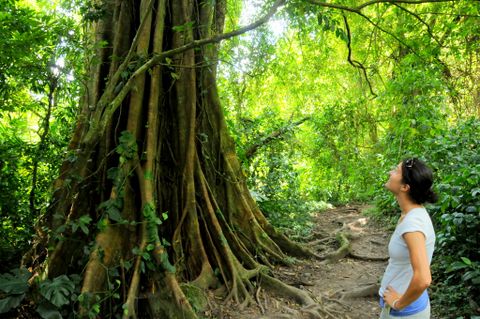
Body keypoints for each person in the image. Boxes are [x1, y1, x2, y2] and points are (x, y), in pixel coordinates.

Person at [379, 158, 438, 318]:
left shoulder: (413, 224)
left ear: (405, 187)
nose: (390, 172)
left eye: (396, 171)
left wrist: (398, 304)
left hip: (405, 312)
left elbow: (424, 278)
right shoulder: (410, 214)